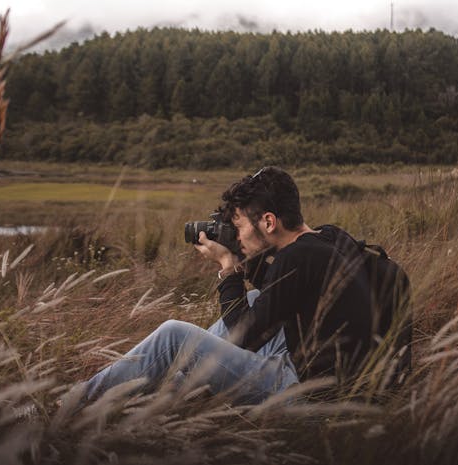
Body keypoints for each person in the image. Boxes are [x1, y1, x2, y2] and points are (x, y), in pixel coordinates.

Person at [83, 167, 383, 405]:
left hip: (308, 397)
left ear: (268, 222)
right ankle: (164, 390)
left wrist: (228, 269)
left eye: (238, 226)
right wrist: (244, 261)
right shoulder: (321, 241)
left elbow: (244, 337)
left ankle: (72, 405)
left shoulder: (296, 257)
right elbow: (275, 299)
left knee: (174, 336)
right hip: (336, 381)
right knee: (253, 297)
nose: (236, 236)